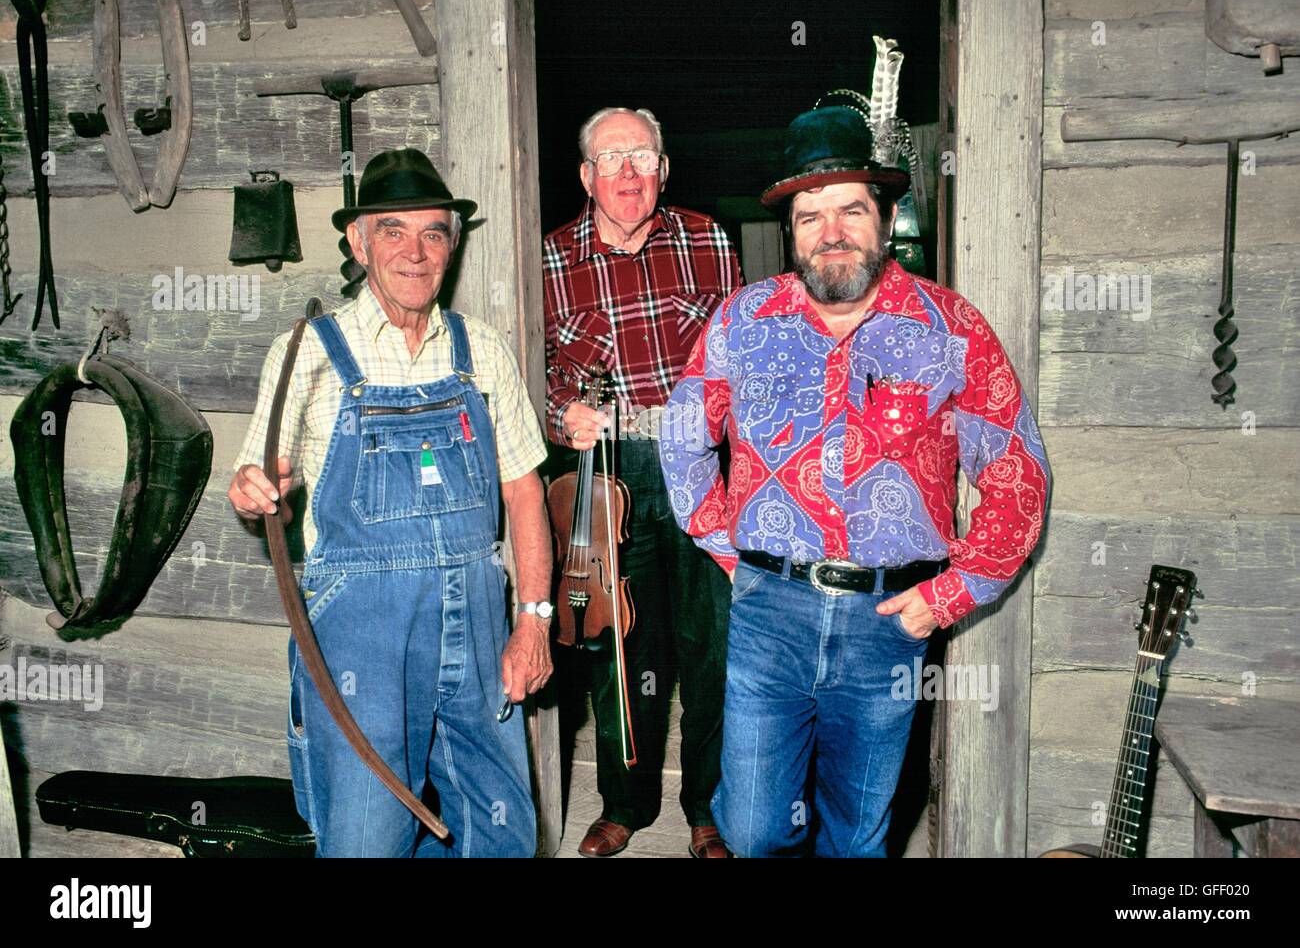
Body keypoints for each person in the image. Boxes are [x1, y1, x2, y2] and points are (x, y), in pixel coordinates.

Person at [659, 98, 1052, 857]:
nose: (831, 231)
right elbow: (681, 431)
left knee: (858, 833)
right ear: (791, 229)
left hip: (888, 623)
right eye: (810, 216)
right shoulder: (745, 320)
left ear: (884, 216)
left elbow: (1017, 472)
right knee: (750, 826)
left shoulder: (951, 327)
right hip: (769, 612)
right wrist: (724, 543)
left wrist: (948, 595)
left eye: (850, 210)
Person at [228, 148, 553, 857]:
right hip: (361, 630)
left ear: (453, 244)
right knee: (369, 835)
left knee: (501, 830)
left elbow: (525, 490)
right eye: (393, 231)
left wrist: (533, 619)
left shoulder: (483, 351)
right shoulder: (309, 352)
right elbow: (263, 475)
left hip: (477, 620)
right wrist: (256, 490)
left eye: (433, 233)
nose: (415, 251)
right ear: (358, 241)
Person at [543, 107, 742, 857]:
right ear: (587, 177)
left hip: (699, 464)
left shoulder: (706, 240)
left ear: (663, 169)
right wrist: (564, 411)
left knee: (712, 646)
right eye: (612, 158)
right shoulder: (550, 257)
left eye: (642, 157)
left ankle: (708, 808)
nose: (628, 173)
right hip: (608, 474)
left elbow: (739, 358)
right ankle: (624, 803)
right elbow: (539, 373)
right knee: (620, 642)